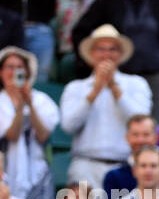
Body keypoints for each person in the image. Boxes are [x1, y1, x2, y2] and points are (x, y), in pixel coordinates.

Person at [59, 25, 153, 187]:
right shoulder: (75, 87)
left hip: (124, 165)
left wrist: (114, 88)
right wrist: (94, 92)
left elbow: (141, 121)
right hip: (85, 165)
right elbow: (68, 125)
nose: (107, 54)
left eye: (112, 49)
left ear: (120, 54)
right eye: (101, 49)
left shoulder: (136, 83)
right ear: (92, 53)